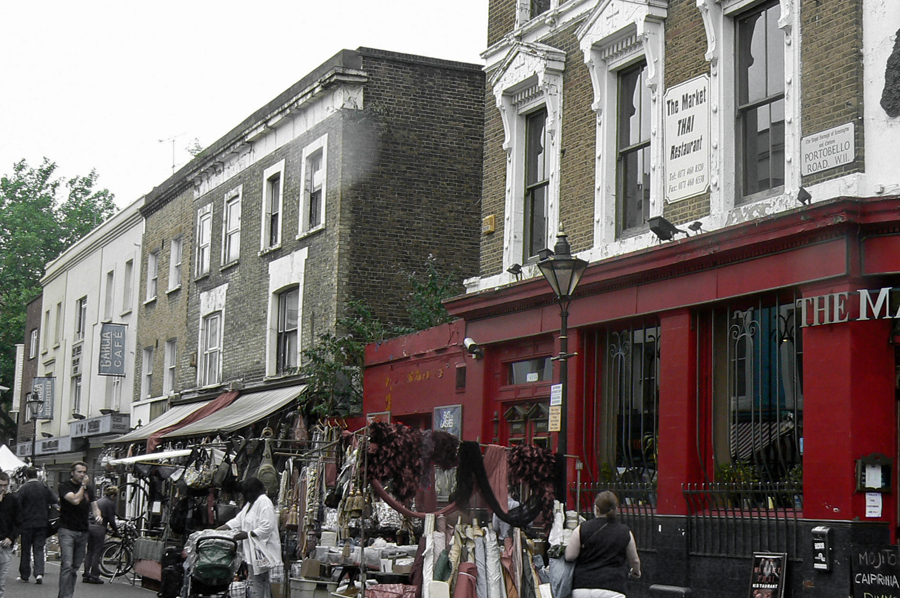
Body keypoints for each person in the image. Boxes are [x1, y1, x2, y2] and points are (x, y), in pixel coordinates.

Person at [565, 491, 641, 598]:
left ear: (596, 508)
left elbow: (570, 556)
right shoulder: (625, 532)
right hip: (613, 588)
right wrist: (636, 571)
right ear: (616, 509)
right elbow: (635, 560)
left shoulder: (582, 528)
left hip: (583, 587)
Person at [220, 477, 282, 598]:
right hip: (254, 556)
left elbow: (267, 527)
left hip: (265, 553)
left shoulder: (264, 502)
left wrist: (248, 534)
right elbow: (237, 521)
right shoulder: (249, 505)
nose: (242, 497)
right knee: (256, 584)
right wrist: (218, 530)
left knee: (262, 585)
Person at [58, 462, 102, 598]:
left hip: (83, 530)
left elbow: (94, 506)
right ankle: (64, 596)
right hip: (67, 529)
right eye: (79, 472)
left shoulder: (89, 489)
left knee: (75, 566)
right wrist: (83, 486)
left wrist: (98, 515)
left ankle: (68, 594)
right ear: (72, 472)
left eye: (84, 472)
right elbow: (75, 500)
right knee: (67, 565)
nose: (82, 474)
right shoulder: (64, 486)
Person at [16, 466, 58, 585]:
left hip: (27, 523)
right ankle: (39, 573)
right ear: (37, 475)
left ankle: (25, 574)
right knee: (39, 548)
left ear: (27, 476)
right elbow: (55, 500)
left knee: (26, 549)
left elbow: (17, 504)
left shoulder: (24, 488)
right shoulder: (44, 486)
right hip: (42, 523)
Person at [83, 486, 119, 584]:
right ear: (113, 495)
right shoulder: (110, 503)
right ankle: (94, 575)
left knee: (90, 551)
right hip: (99, 528)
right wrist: (116, 531)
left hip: (90, 526)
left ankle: (86, 574)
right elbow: (111, 519)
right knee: (97, 552)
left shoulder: (99, 501)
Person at [0, 472, 20, 598]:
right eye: (0, 485)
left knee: (1, 579)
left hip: (4, 543)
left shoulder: (13, 499)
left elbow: (18, 521)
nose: (2, 489)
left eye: (5, 486)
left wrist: (11, 537)